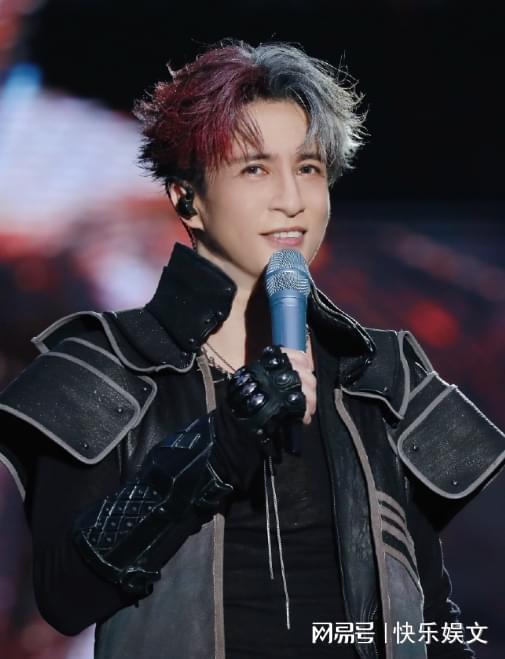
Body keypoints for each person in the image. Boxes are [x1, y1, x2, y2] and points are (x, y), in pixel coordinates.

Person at [0, 40, 504, 659]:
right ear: (185, 197)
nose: (291, 199)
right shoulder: (101, 366)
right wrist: (217, 448)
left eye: (310, 168)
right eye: (255, 169)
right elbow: (66, 597)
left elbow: (428, 612)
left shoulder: (382, 373)